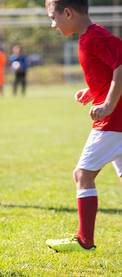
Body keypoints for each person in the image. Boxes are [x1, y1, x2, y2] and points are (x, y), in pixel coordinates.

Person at [45, 0, 122, 252]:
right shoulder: (91, 37)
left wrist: (108, 103)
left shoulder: (94, 37)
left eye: (53, 18)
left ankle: (84, 240)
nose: (52, 24)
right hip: (117, 118)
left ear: (68, 13)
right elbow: (109, 71)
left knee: (82, 175)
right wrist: (94, 91)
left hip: (112, 121)